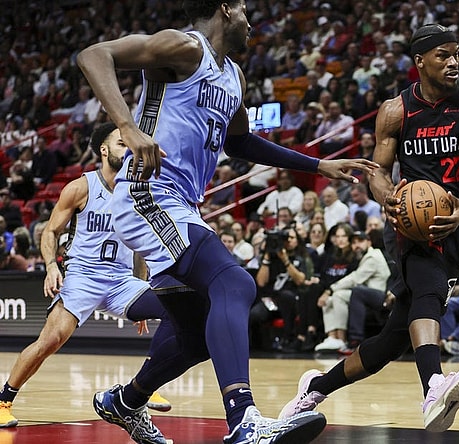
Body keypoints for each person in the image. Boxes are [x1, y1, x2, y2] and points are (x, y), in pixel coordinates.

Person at [76, 1, 378, 442]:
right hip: (147, 192)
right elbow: (93, 55)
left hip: (181, 203)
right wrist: (128, 126)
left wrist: (317, 166)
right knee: (234, 284)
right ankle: (244, 420)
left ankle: (124, 401)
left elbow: (241, 144)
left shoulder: (233, 76)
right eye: (244, 10)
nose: (251, 22)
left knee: (197, 336)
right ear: (224, 10)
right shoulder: (183, 47)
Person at [279, 24, 459, 433]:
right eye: (442, 56)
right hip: (407, 225)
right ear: (419, 62)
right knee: (429, 289)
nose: (453, 62)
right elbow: (378, 171)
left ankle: (315, 387)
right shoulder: (396, 109)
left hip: (454, 221)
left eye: (457, 55)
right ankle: (433, 386)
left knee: (392, 340)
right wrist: (389, 199)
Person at [0, 123, 172, 434]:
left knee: (176, 305)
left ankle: (143, 388)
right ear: (104, 150)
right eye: (121, 144)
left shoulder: (135, 191)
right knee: (50, 340)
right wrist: (52, 266)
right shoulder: (81, 187)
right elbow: (50, 231)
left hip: (121, 281)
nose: (128, 149)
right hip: (83, 276)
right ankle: (3, 400)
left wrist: (143, 285)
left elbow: (141, 247)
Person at [313, 230, 389, 351]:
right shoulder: (364, 256)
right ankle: (334, 337)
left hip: (379, 295)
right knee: (335, 297)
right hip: (364, 294)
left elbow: (355, 278)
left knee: (342, 293)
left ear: (369, 242)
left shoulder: (373, 256)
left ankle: (347, 339)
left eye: (360, 241)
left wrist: (330, 289)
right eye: (354, 242)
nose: (357, 245)